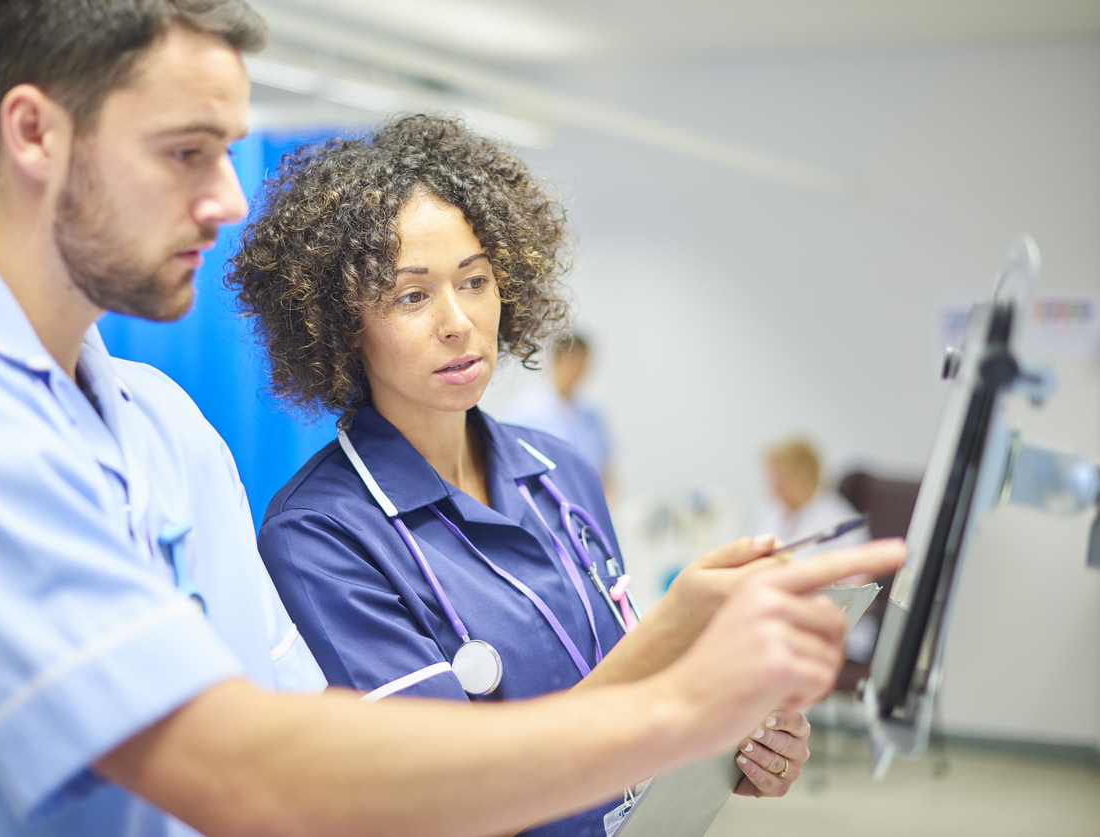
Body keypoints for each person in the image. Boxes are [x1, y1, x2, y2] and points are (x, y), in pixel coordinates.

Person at [0, 2, 904, 836]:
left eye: (230, 151)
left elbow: (313, 732)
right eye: (185, 151)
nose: (225, 197)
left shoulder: (163, 424)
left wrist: (688, 743)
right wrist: (679, 696)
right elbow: (235, 769)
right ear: (32, 131)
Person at [231, 114, 887, 835]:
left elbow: (628, 706)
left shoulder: (560, 471)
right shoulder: (319, 533)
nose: (458, 322)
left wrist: (728, 735)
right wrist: (672, 631)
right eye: (411, 295)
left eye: (475, 280)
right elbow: (446, 798)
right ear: (340, 324)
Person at [503, 331, 613, 483]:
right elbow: (517, 464)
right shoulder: (527, 411)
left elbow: (604, 465)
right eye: (575, 362)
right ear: (558, 360)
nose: (580, 371)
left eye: (584, 363)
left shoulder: (590, 412)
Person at [753, 438, 869, 558]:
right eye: (773, 476)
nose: (774, 484)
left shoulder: (842, 524)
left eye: (781, 477)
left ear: (803, 478)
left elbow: (860, 574)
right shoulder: (769, 510)